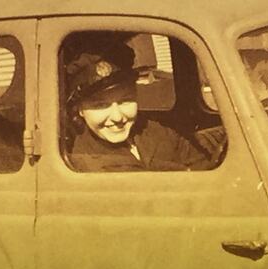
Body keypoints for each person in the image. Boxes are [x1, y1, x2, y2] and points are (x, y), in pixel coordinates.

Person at [62, 32, 214, 172]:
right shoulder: (80, 161)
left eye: (125, 101)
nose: (117, 117)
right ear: (80, 109)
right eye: (101, 105)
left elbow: (202, 167)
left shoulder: (156, 132)